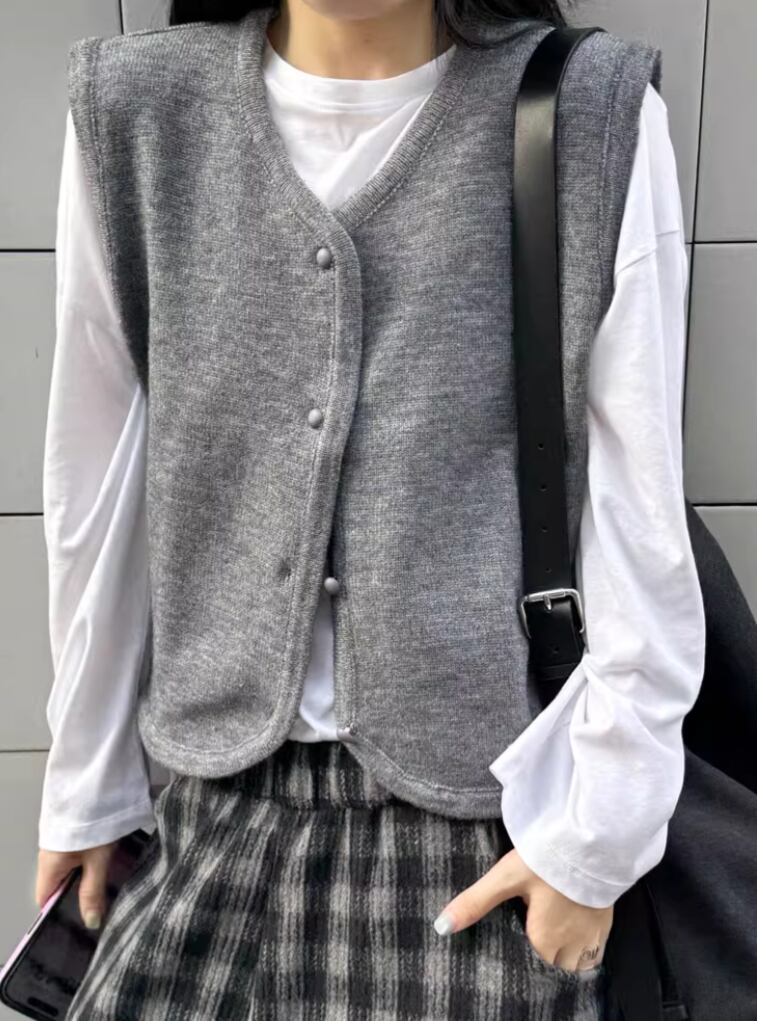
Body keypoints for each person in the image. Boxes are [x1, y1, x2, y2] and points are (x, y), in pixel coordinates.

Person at [36, 0, 706, 1018]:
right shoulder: (136, 112)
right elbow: (97, 479)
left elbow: (636, 506)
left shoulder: (586, 110)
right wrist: (88, 788)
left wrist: (593, 842)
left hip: (483, 830)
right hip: (208, 807)